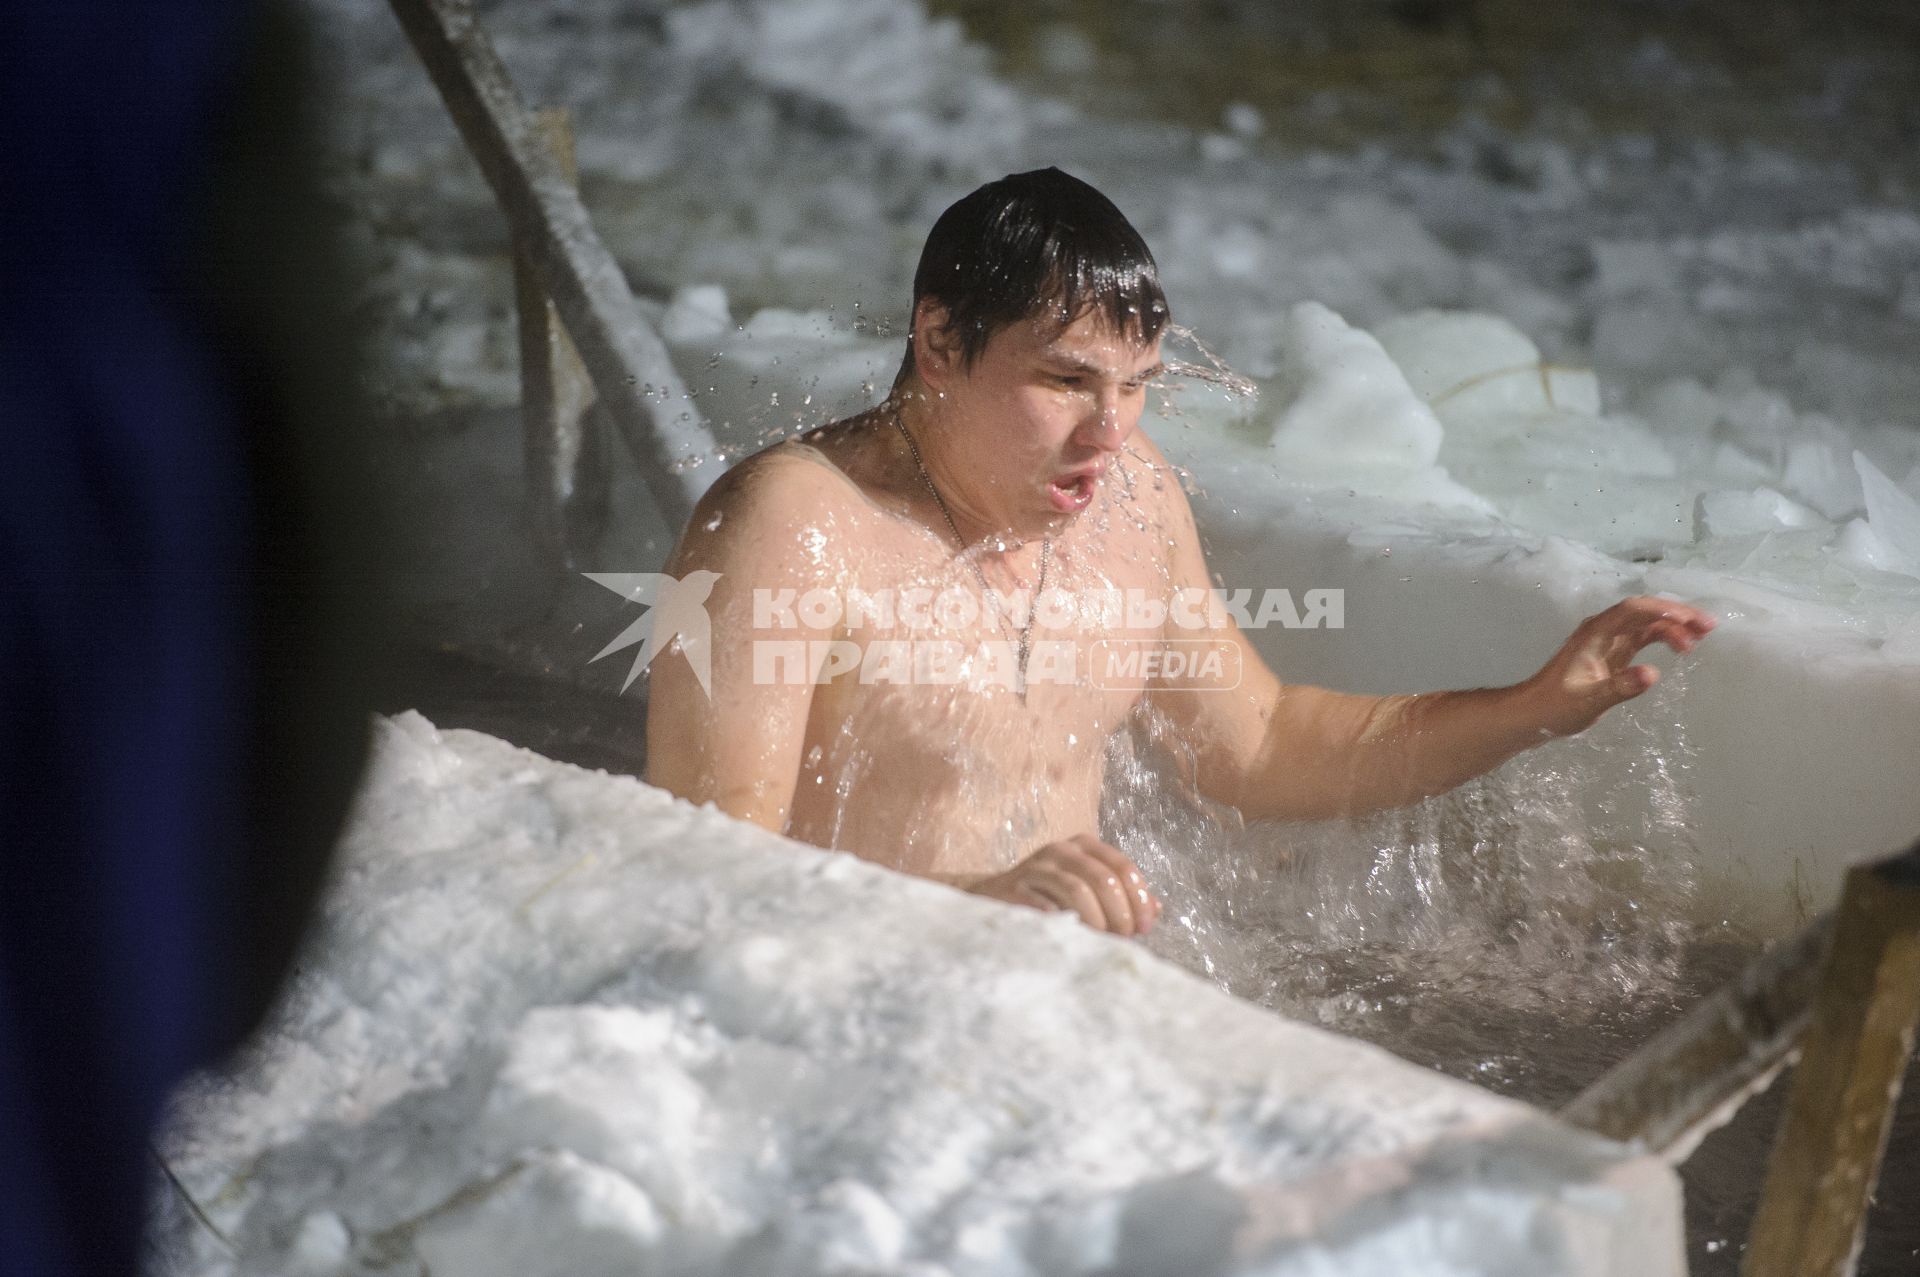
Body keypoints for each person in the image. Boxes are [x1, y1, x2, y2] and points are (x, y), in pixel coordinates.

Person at [645, 167, 1713, 937]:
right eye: (1066, 381)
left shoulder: (1134, 495)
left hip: (1057, 1004)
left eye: (1136, 381)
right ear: (937, 340)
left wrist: (1532, 704)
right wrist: (974, 911)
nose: (1110, 431)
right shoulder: (793, 524)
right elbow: (713, 868)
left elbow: (1257, 747)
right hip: (859, 1024)